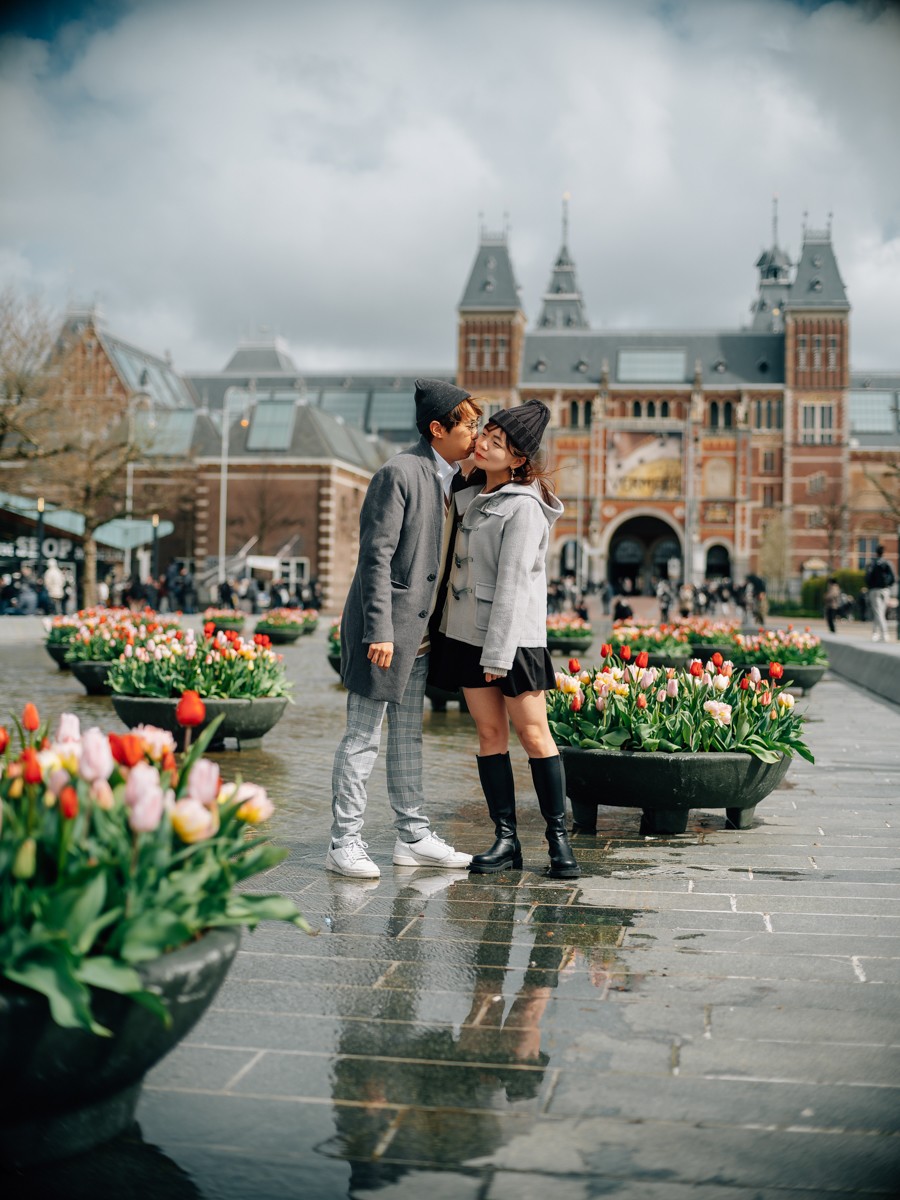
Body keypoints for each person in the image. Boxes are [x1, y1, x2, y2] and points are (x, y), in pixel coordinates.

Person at [329, 379, 482, 879]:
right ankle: (343, 840)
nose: (476, 432)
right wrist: (378, 630)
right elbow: (374, 558)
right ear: (438, 429)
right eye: (469, 423)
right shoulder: (398, 472)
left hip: (420, 636)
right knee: (362, 736)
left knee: (408, 737)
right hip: (386, 634)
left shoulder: (453, 478)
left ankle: (412, 836)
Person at [429, 399, 579, 880]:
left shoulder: (525, 508)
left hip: (512, 643)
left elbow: (515, 584)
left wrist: (498, 654)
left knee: (535, 737)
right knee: (490, 736)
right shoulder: (469, 494)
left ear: (518, 459)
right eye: (486, 434)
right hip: (465, 636)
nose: (484, 443)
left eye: (498, 442)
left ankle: (558, 842)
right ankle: (506, 840)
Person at [865, 544, 895, 642]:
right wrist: (887, 585)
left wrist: (870, 586)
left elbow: (867, 578)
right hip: (885, 590)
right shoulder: (888, 563)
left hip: (874, 590)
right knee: (880, 612)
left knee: (878, 613)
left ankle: (883, 633)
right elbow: (893, 578)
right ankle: (876, 633)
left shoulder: (872, 564)